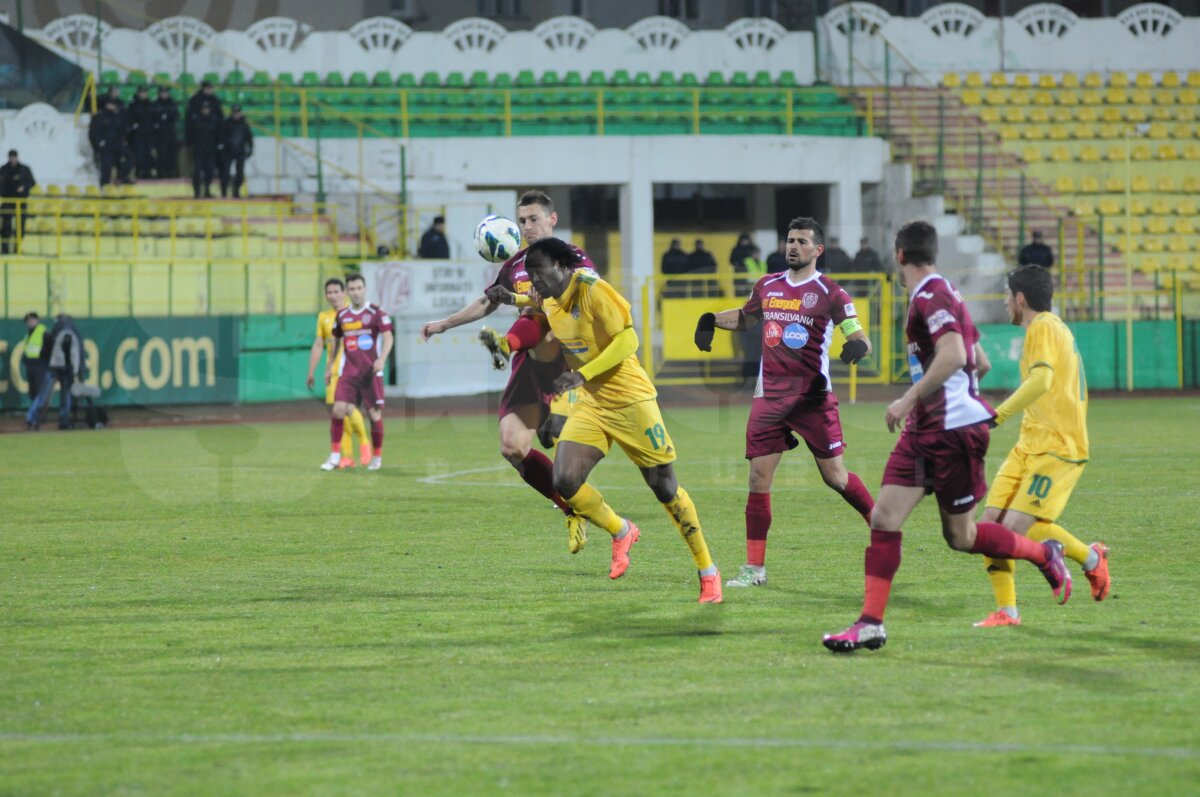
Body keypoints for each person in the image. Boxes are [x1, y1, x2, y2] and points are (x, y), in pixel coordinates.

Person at [822, 220, 1071, 653]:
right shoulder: (946, 292)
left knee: (962, 537)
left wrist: (909, 399)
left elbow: (956, 355)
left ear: (900, 255)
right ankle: (870, 624)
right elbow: (980, 361)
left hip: (951, 431)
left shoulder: (931, 295)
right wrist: (944, 398)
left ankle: (1044, 554)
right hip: (928, 429)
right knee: (884, 519)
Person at [515, 237, 723, 602]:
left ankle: (708, 570)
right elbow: (532, 303)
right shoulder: (548, 298)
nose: (535, 280)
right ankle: (622, 530)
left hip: (631, 401)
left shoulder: (593, 290)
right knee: (565, 479)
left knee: (664, 488)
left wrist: (582, 374)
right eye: (530, 275)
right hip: (592, 403)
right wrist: (508, 298)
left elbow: (629, 341)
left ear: (561, 266)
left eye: (540, 272)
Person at [694, 216, 876, 588]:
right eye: (790, 240)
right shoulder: (768, 285)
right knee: (758, 479)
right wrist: (711, 320)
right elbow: (746, 318)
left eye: (801, 242)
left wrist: (859, 346)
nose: (793, 246)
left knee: (835, 477)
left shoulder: (831, 293)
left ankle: (882, 526)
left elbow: (858, 335)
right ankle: (754, 569)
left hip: (812, 399)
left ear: (817, 250)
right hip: (770, 396)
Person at [421, 191, 588, 553]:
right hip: (529, 363)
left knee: (539, 314)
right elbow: (489, 300)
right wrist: (444, 324)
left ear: (552, 219)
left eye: (533, 219)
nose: (527, 227)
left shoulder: (572, 258)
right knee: (512, 447)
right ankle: (572, 510)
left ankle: (510, 350)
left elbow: (590, 298)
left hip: (565, 361)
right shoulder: (516, 265)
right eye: (522, 221)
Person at [973, 266, 1109, 627]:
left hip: (1057, 446)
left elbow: (1042, 379)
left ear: (1020, 299)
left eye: (1007, 296)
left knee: (1014, 529)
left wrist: (997, 415)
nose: (1005, 303)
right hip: (1029, 444)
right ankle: (1008, 611)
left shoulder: (1044, 326)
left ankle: (1091, 558)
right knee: (989, 527)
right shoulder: (1048, 328)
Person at [326, 274, 393, 471]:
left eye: (359, 288)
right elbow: (336, 341)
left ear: (364, 289)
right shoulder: (342, 315)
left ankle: (377, 457)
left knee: (374, 415)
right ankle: (335, 456)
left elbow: (388, 337)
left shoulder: (376, 312)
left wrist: (382, 359)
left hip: (371, 373)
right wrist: (330, 367)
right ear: (347, 292)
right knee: (338, 410)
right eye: (352, 289)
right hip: (348, 373)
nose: (356, 292)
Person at [307, 277, 371, 470]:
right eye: (329, 292)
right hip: (333, 372)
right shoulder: (324, 317)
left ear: (344, 293)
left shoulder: (354, 313)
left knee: (348, 408)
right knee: (337, 414)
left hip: (352, 371)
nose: (333, 296)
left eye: (336, 292)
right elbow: (319, 344)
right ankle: (347, 456)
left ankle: (364, 442)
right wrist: (312, 371)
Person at [26, 314, 85, 431]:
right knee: (65, 395)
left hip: (54, 366)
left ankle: (32, 418)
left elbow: (51, 350)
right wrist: (75, 370)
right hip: (66, 368)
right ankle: (64, 420)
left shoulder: (57, 330)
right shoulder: (71, 331)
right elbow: (75, 353)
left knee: (43, 395)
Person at [89, 100, 131, 187]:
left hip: (117, 144)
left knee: (129, 157)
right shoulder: (99, 116)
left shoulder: (117, 116)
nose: (115, 107)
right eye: (113, 105)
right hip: (106, 146)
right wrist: (99, 143)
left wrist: (122, 140)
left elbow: (121, 130)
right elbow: (93, 132)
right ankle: (105, 186)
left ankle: (121, 178)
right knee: (106, 168)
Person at [0, 150, 35, 254]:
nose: (13, 158)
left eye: (14, 156)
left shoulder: (25, 169)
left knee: (20, 226)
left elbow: (32, 182)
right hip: (8, 201)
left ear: (17, 157)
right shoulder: (3, 169)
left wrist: (24, 187)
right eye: (11, 156)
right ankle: (5, 249)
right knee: (6, 226)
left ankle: (17, 249)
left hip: (21, 201)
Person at [219, 105, 253, 198]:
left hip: (240, 152)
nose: (236, 115)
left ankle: (236, 192)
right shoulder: (226, 123)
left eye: (237, 113)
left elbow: (249, 138)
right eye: (234, 113)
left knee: (240, 174)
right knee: (225, 173)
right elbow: (221, 136)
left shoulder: (244, 124)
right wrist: (221, 148)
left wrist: (250, 148)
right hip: (228, 151)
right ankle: (224, 192)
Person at [188, 103, 221, 198]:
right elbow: (190, 134)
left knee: (209, 171)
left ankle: (207, 191)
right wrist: (190, 146)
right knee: (197, 171)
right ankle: (197, 192)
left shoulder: (214, 120)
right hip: (198, 149)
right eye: (204, 108)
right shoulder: (196, 120)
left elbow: (218, 134)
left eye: (207, 108)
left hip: (210, 150)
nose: (206, 110)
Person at [126, 86, 157, 180]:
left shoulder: (151, 104)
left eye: (145, 92)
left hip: (149, 134)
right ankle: (139, 172)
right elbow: (130, 120)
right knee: (139, 154)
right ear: (138, 93)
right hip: (137, 135)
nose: (143, 94)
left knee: (149, 154)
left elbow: (154, 118)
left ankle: (148, 172)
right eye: (141, 92)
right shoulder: (133, 105)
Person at [152, 86, 180, 178]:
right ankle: (161, 173)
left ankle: (172, 172)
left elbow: (175, 115)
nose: (164, 94)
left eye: (166, 92)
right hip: (159, 134)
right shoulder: (155, 103)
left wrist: (165, 115)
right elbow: (154, 117)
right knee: (161, 154)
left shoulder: (172, 103)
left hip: (171, 133)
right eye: (162, 92)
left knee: (171, 154)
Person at [21, 312, 48, 408]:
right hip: (30, 365)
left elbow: (48, 348)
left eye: (31, 320)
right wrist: (25, 359)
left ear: (37, 320)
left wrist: (43, 361)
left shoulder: (43, 332)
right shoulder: (29, 334)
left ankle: (40, 413)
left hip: (39, 365)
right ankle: (35, 412)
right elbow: (27, 349)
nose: (29, 323)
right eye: (28, 321)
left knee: (40, 391)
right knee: (32, 392)